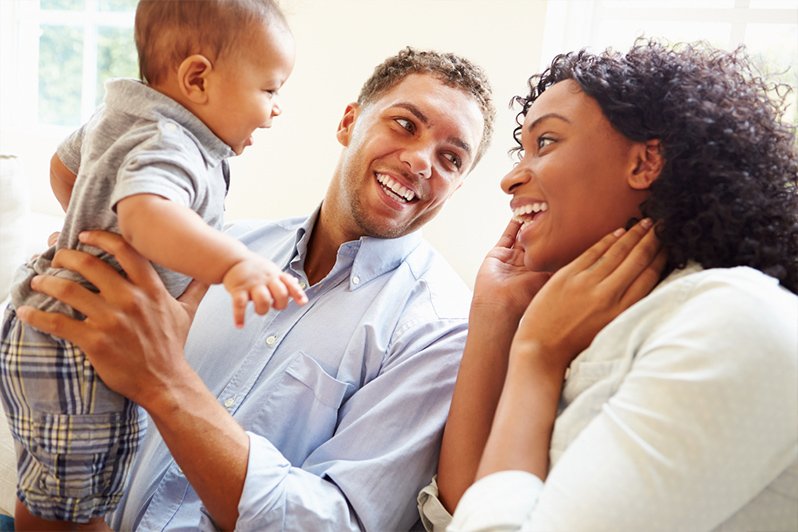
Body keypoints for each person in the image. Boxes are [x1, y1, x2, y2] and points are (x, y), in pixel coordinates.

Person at [12, 46, 497, 530]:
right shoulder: (220, 243)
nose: (420, 162)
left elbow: (338, 523)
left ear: (457, 186)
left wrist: (165, 380)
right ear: (349, 122)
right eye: (406, 124)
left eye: (451, 158)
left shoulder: (439, 334)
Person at [418, 38, 798, 531]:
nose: (509, 179)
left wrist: (536, 357)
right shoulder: (592, 330)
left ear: (644, 163)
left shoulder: (731, 320)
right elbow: (463, 509)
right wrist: (496, 312)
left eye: (546, 142)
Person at [0, 1, 304, 528]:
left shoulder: (124, 114)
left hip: (53, 332)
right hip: (81, 348)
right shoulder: (172, 142)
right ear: (198, 79)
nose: (275, 110)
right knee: (76, 511)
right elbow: (145, 215)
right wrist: (233, 263)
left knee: (53, 490)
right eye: (270, 90)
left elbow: (64, 167)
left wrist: (89, 225)